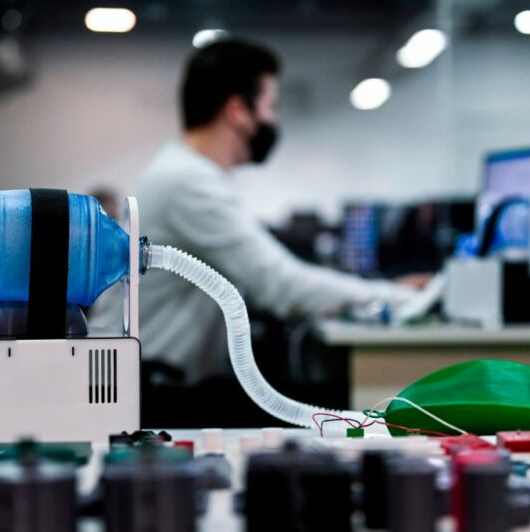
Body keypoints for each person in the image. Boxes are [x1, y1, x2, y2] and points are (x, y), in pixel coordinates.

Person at [90, 39, 422, 402]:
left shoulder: (189, 174)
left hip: (157, 380)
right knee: (332, 409)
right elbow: (281, 285)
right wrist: (401, 296)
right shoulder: (188, 182)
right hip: (150, 390)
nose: (272, 120)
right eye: (270, 106)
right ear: (238, 111)